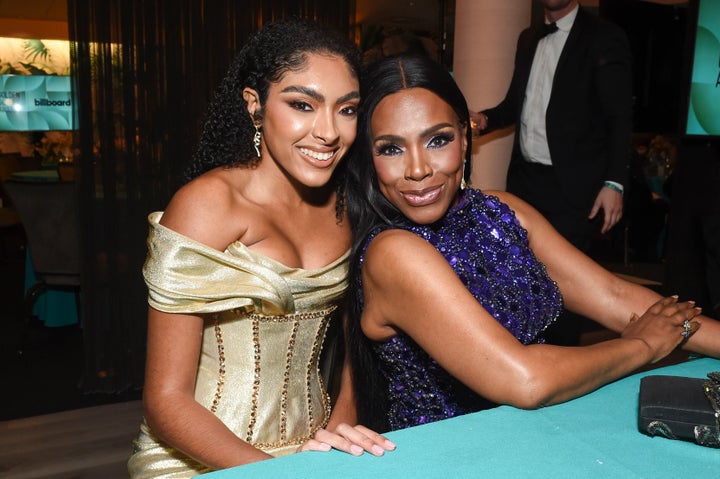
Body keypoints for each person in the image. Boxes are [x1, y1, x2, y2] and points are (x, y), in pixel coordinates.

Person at [344, 53, 720, 433]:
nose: (418, 169)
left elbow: (614, 296)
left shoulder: (504, 211)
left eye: (437, 140)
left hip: (543, 430)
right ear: (368, 157)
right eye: (391, 148)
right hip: (455, 456)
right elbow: (525, 381)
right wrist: (643, 347)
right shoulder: (392, 253)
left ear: (464, 135)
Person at [127, 19, 394, 478]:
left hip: (315, 448)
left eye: (346, 110)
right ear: (255, 105)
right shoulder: (208, 205)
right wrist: (279, 475)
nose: (328, 132)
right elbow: (165, 400)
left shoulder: (348, 203)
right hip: (199, 456)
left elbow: (354, 349)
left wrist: (336, 436)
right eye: (302, 105)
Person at [472, 0, 633, 345]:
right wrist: (485, 119)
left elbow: (619, 117)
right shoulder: (528, 37)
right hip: (526, 183)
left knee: (565, 291)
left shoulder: (604, 37)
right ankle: (522, 363)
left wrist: (614, 183)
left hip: (575, 189)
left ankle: (564, 375)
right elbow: (516, 104)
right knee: (519, 280)